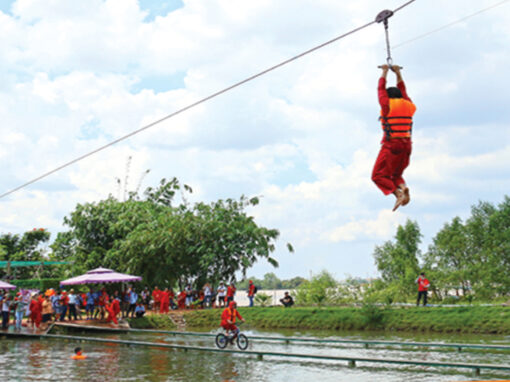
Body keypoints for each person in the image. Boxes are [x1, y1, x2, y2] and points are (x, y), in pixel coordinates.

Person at [372, 64, 417, 211]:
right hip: (407, 146)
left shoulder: (387, 105)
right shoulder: (409, 105)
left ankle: (398, 193)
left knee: (378, 176)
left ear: (389, 96)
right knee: (396, 174)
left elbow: (380, 90)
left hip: (392, 146)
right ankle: (403, 188)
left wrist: (384, 72)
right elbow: (404, 90)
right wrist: (398, 73)